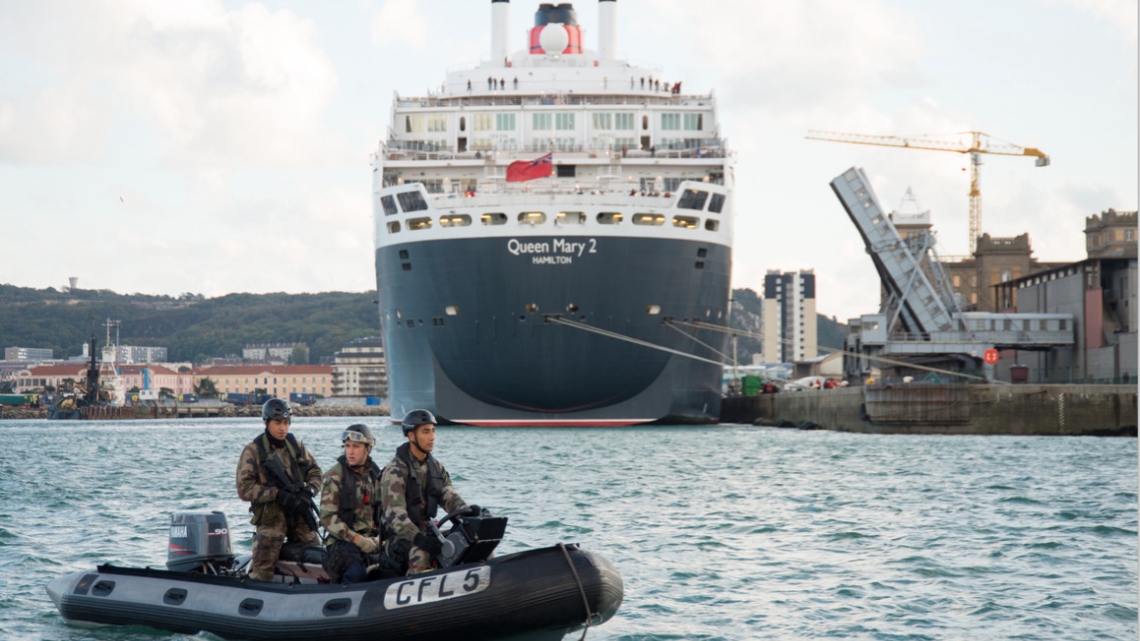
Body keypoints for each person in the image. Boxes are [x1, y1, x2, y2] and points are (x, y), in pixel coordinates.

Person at [235, 398, 322, 581]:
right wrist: (277, 494)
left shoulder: (295, 445)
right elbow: (244, 488)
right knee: (263, 566)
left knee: (318, 554)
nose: (283, 428)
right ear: (266, 423)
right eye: (277, 423)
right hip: (272, 518)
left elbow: (315, 471)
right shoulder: (253, 450)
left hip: (298, 512)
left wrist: (309, 491)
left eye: (285, 423)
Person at [379, 409, 472, 575]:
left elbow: (448, 495)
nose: (432, 437)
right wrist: (418, 538)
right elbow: (394, 513)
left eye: (433, 431)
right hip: (399, 538)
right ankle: (414, 592)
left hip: (427, 532)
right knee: (421, 552)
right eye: (425, 431)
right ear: (411, 436)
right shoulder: (395, 471)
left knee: (466, 541)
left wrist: (469, 514)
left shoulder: (435, 468)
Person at [319, 424, 383, 583]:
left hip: (372, 538)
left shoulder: (376, 476)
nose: (350, 451)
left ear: (368, 449)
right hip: (342, 541)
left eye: (356, 446)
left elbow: (387, 512)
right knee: (356, 573)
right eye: (347, 446)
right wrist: (358, 540)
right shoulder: (335, 476)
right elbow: (327, 519)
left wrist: (379, 539)